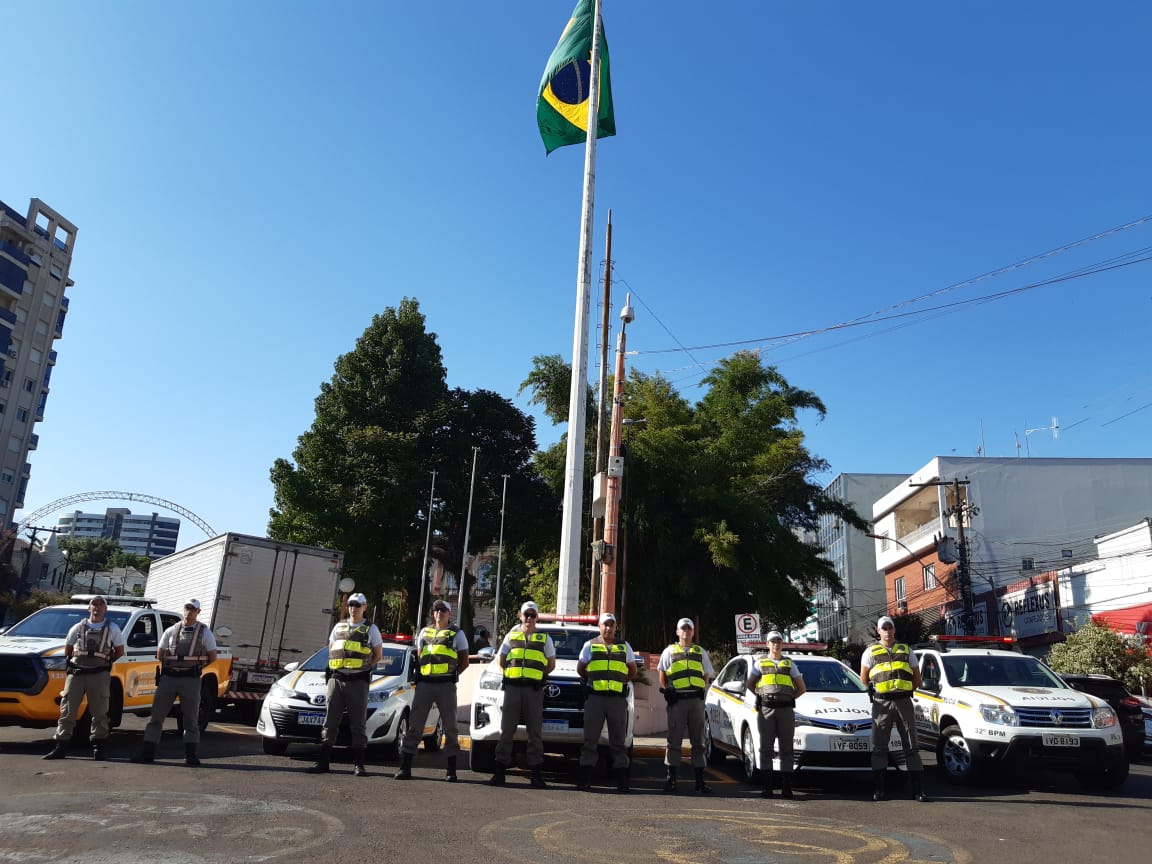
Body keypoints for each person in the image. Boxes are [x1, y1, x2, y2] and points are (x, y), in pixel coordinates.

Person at [305, 592, 383, 776]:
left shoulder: (370, 629)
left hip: (357, 682)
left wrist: (362, 668)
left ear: (365, 607)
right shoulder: (338, 627)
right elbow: (332, 649)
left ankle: (359, 765)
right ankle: (323, 762)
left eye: (357, 605)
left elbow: (377, 656)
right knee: (330, 722)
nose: (353, 608)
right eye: (350, 604)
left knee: (358, 724)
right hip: (336, 679)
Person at [133, 599, 218, 766]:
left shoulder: (205, 632)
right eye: (187, 608)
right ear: (183, 609)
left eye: (193, 609)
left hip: (191, 679)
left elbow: (212, 656)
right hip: (169, 678)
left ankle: (191, 756)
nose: (189, 611)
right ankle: (147, 754)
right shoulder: (171, 630)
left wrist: (195, 667)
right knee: (156, 716)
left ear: (198, 612)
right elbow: (160, 654)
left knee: (191, 718)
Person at [394, 599, 469, 781]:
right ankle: (405, 768)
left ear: (449, 613)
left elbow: (464, 661)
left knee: (450, 726)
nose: (439, 613)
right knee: (415, 725)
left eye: (443, 610)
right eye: (436, 610)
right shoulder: (424, 632)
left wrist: (452, 674)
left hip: (446, 685)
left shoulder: (457, 634)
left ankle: (451, 771)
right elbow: (420, 657)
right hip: (425, 684)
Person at [43, 596, 126, 761]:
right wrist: (74, 663)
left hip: (99, 674)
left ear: (105, 609)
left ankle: (98, 747)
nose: (97, 607)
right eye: (94, 604)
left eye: (101, 604)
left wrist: (105, 663)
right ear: (89, 608)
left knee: (100, 712)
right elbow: (68, 649)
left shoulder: (113, 628)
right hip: (77, 673)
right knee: (67, 711)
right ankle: (61, 746)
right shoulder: (77, 627)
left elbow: (119, 651)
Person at [860, 615, 929, 802]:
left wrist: (903, 691)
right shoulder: (870, 652)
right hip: (882, 703)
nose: (888, 632)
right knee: (879, 746)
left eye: (890, 628)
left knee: (911, 744)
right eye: (884, 628)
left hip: (903, 701)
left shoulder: (906, 650)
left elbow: (917, 679)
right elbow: (864, 679)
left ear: (894, 630)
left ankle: (917, 790)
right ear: (879, 631)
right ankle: (879, 789)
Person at [488, 600, 556, 787]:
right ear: (521, 616)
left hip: (534, 690)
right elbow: (501, 660)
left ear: (537, 617)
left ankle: (536, 775)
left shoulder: (545, 638)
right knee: (506, 730)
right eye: (526, 614)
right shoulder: (511, 635)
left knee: (535, 732)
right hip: (513, 689)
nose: (529, 618)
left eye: (533, 615)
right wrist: (508, 676)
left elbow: (551, 664)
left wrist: (538, 677)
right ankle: (499, 772)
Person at [577, 611, 639, 793]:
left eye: (611, 625)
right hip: (596, 698)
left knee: (618, 741)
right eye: (605, 624)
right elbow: (581, 669)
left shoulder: (624, 646)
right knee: (590, 740)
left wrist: (620, 683)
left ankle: (622, 782)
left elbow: (632, 671)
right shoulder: (590, 645)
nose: (608, 628)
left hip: (617, 700)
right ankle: (584, 780)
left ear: (615, 627)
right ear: (600, 627)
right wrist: (594, 682)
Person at [657, 617, 715, 794]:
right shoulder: (669, 651)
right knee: (674, 739)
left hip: (696, 701)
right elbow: (662, 675)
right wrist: (668, 691)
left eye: (689, 629)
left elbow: (706, 675)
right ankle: (671, 778)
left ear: (693, 632)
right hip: (678, 701)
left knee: (699, 741)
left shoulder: (700, 651)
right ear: (677, 632)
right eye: (683, 628)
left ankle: (699, 780)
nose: (686, 631)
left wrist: (700, 690)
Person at [746, 630, 806, 798]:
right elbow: (750, 684)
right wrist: (762, 696)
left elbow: (802, 688)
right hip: (767, 709)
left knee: (786, 748)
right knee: (766, 747)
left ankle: (786, 787)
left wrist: (788, 698)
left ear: (782, 644)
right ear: (767, 644)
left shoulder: (789, 664)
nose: (776, 644)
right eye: (772, 641)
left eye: (779, 641)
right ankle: (767, 786)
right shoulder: (760, 663)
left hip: (786, 710)